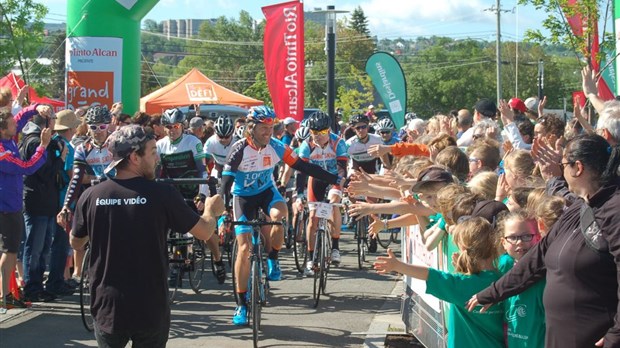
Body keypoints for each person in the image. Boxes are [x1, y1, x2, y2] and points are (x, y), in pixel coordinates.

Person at [70, 125, 225, 348]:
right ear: (134, 157)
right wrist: (211, 210)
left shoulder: (92, 195)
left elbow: (76, 242)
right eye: (152, 152)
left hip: (107, 304)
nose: (157, 158)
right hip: (149, 305)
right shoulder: (162, 194)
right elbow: (204, 231)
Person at [467, 133, 620, 348]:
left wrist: (616, 335)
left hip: (594, 336)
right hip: (562, 335)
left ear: (578, 168)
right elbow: (537, 258)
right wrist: (495, 291)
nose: (562, 170)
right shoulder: (581, 204)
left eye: (564, 165)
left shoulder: (614, 209)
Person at [219, 106, 344, 326]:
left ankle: (273, 259)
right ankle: (241, 303)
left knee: (280, 215)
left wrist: (338, 179)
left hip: (267, 193)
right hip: (243, 198)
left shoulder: (277, 146)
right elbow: (225, 183)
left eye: (270, 128)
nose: (268, 132)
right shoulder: (239, 149)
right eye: (263, 128)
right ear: (251, 128)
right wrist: (224, 211)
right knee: (244, 248)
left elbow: (308, 169)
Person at [374, 218, 505, 348]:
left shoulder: (462, 284)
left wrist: (397, 265)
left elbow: (429, 274)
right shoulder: (504, 280)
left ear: (463, 248)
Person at [156, 108, 226, 284]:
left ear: (183, 125)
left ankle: (217, 259)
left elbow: (202, 171)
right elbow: (156, 173)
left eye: (176, 126)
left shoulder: (192, 141)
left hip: (193, 190)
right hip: (171, 191)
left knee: (205, 229)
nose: (173, 130)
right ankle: (172, 263)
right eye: (169, 126)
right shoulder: (160, 145)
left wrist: (201, 196)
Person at [0, 104, 53, 309]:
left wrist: (37, 107)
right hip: (7, 207)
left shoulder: (8, 139)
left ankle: (7, 293)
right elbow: (27, 167)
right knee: (10, 250)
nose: (18, 126)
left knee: (11, 250)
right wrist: (43, 146)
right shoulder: (3, 151)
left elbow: (21, 116)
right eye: (12, 125)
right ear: (3, 129)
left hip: (11, 204)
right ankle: (5, 294)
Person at [287, 111, 348, 276]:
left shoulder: (338, 143)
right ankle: (310, 258)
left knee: (334, 204)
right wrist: (299, 194)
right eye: (314, 132)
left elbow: (342, 169)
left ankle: (335, 247)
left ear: (328, 130)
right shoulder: (306, 145)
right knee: (313, 218)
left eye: (321, 132)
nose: (318, 136)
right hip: (315, 181)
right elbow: (300, 172)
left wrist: (340, 182)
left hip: (334, 179)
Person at [19, 106, 67, 303]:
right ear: (45, 123)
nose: (55, 122)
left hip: (46, 202)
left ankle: (38, 283)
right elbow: (43, 173)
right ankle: (32, 286)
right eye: (53, 119)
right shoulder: (34, 142)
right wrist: (61, 160)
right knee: (35, 246)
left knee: (44, 246)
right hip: (37, 202)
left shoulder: (45, 142)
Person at [496, 209, 545, 348]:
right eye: (512, 237)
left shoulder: (545, 276)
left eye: (526, 236)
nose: (519, 242)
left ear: (538, 237)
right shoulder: (502, 268)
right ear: (503, 243)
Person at [47, 110, 82, 297]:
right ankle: (57, 281)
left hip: (53, 198)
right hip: (65, 201)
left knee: (57, 243)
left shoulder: (53, 143)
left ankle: (61, 278)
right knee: (61, 244)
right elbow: (71, 174)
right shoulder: (68, 146)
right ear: (72, 127)